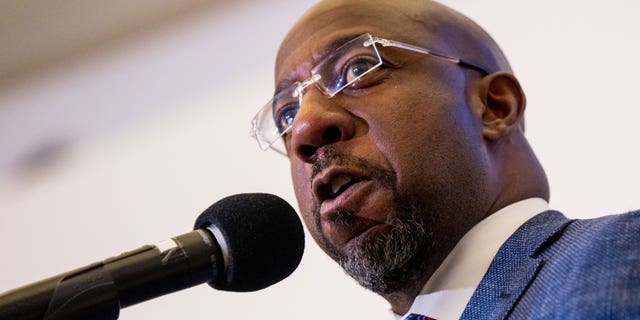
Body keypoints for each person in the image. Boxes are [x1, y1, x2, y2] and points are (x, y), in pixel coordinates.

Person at [250, 0, 640, 319]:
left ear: (493, 107)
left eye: (358, 68)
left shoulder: (623, 259)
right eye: (287, 114)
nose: (304, 129)